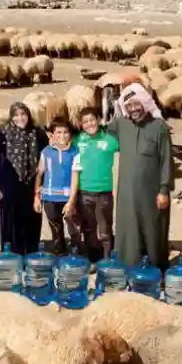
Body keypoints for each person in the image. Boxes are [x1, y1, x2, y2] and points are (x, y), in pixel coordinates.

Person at [106, 83, 173, 272]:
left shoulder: (159, 127)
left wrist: (164, 190)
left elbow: (166, 160)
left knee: (152, 229)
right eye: (128, 106)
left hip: (151, 191)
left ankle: (153, 269)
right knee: (128, 230)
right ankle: (127, 267)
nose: (133, 109)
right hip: (127, 191)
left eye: (136, 104)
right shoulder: (121, 124)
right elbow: (98, 133)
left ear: (145, 102)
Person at [0, 102, 49, 256]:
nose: (20, 118)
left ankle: (30, 253)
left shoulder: (37, 133)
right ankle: (10, 255)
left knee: (31, 219)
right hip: (9, 185)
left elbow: (45, 160)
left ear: (28, 115)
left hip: (31, 183)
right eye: (16, 115)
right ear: (11, 117)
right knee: (10, 221)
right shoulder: (3, 134)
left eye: (23, 114)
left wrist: (42, 186)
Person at [73, 106, 120, 263]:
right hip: (83, 191)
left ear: (99, 120)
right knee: (88, 228)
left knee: (105, 229)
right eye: (85, 122)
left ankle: (107, 260)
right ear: (81, 124)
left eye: (92, 120)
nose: (89, 124)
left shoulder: (110, 140)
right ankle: (93, 259)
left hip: (103, 192)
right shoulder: (77, 141)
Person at [34, 120, 80, 255]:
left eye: (66, 132)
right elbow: (39, 175)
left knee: (73, 226)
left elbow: (75, 176)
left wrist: (72, 201)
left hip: (67, 198)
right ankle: (59, 253)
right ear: (52, 135)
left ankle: (77, 251)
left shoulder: (75, 152)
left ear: (70, 135)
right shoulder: (46, 152)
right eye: (58, 132)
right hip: (49, 198)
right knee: (55, 228)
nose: (62, 135)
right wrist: (36, 197)